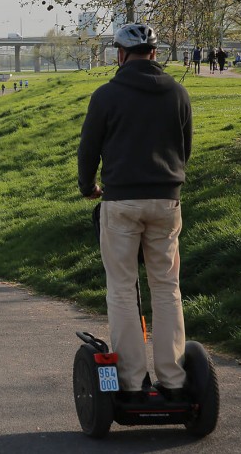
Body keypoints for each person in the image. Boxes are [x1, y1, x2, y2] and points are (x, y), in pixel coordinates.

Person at [78, 23, 192, 400]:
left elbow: (89, 148)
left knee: (123, 288)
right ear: (155, 54)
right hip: (166, 200)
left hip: (121, 201)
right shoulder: (178, 92)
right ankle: (173, 379)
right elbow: (184, 146)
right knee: (166, 288)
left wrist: (88, 187)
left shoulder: (107, 95)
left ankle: (131, 380)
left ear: (121, 55)